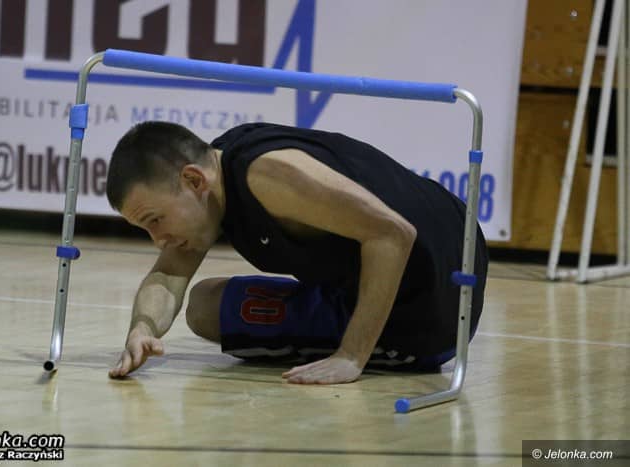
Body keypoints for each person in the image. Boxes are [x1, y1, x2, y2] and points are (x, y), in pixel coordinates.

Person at [105, 121, 488, 384]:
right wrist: (142, 329)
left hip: (429, 315)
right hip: (452, 245)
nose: (158, 239)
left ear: (193, 180)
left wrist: (350, 356)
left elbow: (393, 234)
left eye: (155, 220)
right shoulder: (220, 165)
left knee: (207, 311)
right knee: (207, 301)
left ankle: (366, 343)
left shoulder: (266, 177)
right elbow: (170, 272)